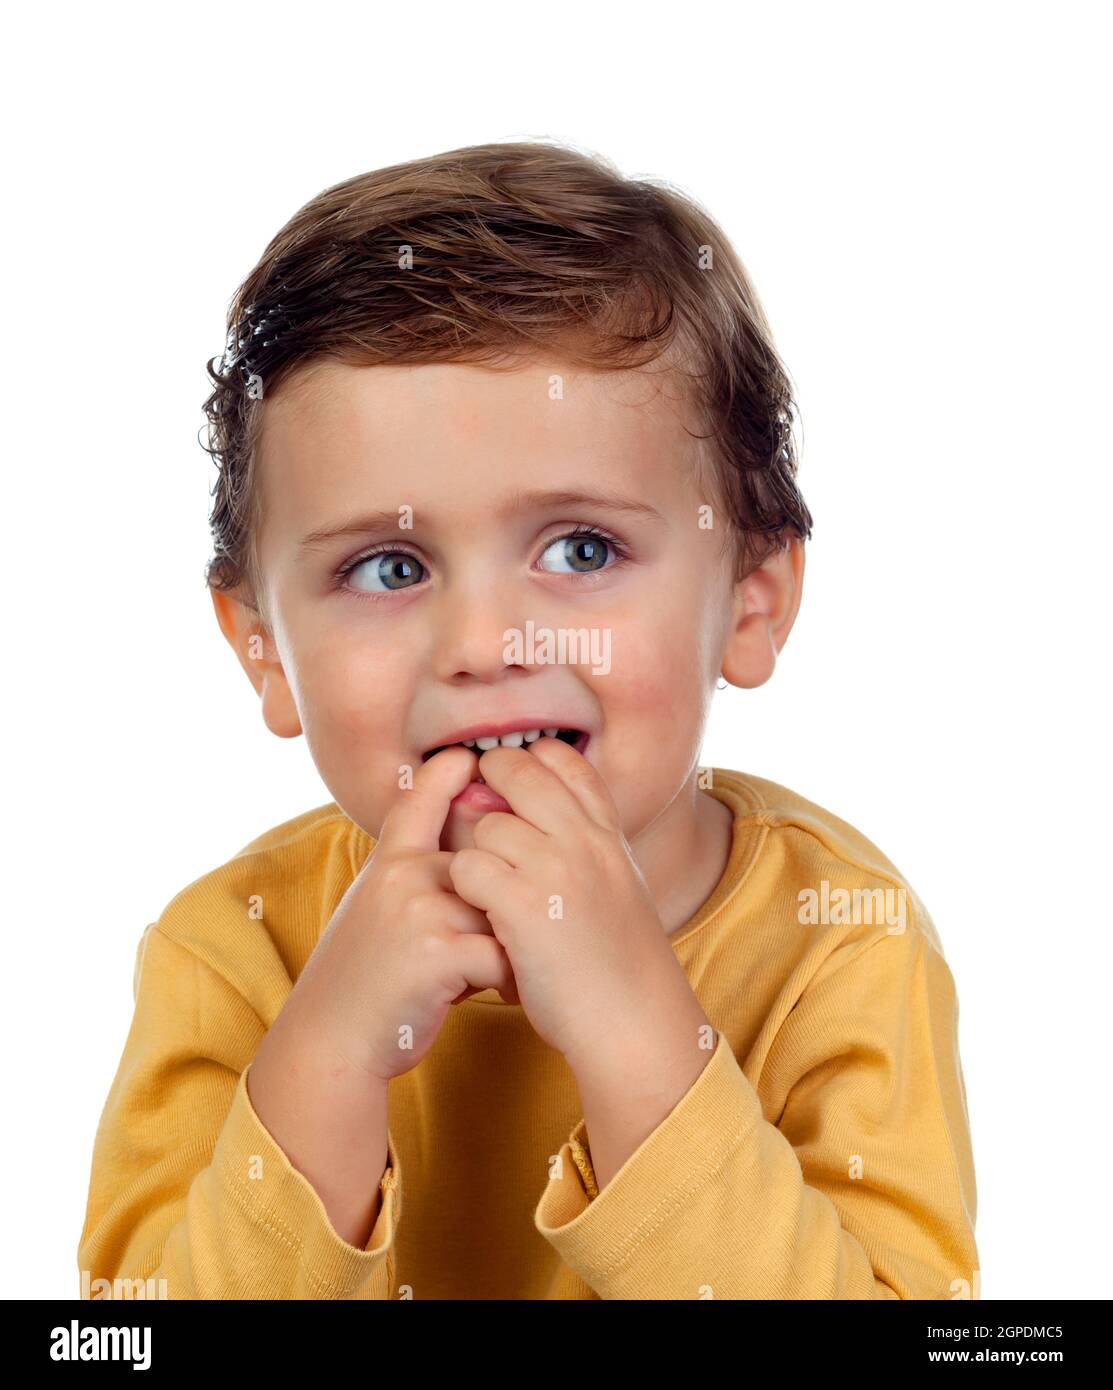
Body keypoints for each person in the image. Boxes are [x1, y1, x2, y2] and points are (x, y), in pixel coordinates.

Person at [77, 140, 978, 1300]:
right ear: (263, 647)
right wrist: (324, 1064)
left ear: (751, 599)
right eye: (389, 567)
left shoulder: (841, 942)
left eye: (582, 549)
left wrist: (643, 1038)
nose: (484, 644)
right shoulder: (231, 951)